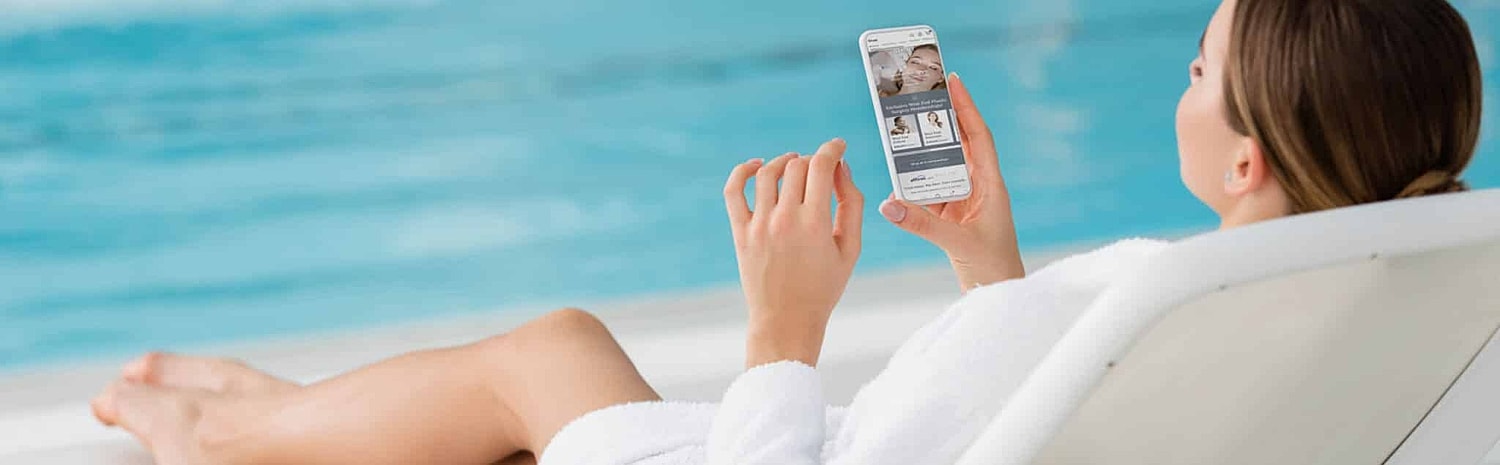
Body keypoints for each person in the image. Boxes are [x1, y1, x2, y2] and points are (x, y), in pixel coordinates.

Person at [89, 0, 1480, 463]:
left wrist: (782, 327)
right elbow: (1028, 415)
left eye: (1194, 68)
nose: (1178, 82)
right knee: (547, 387)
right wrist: (985, 261)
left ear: (1244, 156)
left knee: (548, 357)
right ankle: (279, 416)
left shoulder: (1158, 292)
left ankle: (227, 437)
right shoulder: (1295, 299)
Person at [878, 44, 947, 97]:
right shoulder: (878, 97)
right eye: (915, 62)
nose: (921, 70)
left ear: (941, 77)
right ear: (903, 66)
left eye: (933, 67)